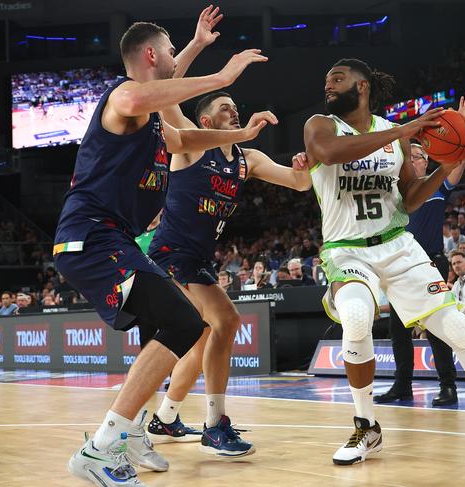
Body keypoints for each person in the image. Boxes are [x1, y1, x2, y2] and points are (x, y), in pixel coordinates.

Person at [302, 58, 465, 465]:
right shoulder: (321, 124)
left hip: (398, 244)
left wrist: (445, 167)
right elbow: (327, 154)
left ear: (362, 86)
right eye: (327, 79)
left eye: (337, 78)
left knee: (456, 327)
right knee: (355, 318)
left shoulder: (392, 135)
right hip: (347, 249)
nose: (328, 85)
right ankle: (366, 427)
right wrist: (404, 129)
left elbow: (409, 198)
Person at [55, 16, 274, 486]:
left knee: (166, 328)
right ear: (152, 55)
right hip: (93, 237)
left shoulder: (153, 127)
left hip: (111, 240)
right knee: (184, 322)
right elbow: (143, 95)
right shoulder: (123, 97)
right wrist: (222, 77)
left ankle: (132, 431)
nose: (176, 56)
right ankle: (99, 448)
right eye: (172, 48)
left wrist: (242, 138)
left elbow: (186, 139)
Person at [145, 9, 311, 455]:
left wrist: (303, 165)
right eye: (223, 106)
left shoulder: (246, 159)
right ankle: (216, 423)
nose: (231, 108)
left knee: (201, 345)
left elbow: (299, 184)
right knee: (226, 322)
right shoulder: (187, 142)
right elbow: (163, 88)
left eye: (234, 106)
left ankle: (163, 420)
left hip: (198, 260)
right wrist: (197, 43)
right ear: (203, 121)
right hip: (169, 254)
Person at [375, 98, 465, 407]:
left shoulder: (436, 186)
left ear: (426, 161)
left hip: (430, 261)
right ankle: (403, 385)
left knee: (437, 327)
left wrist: (463, 123)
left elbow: (459, 162)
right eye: (408, 153)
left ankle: (448, 386)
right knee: (398, 331)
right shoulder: (396, 192)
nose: (409, 157)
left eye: (415, 154)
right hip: (400, 266)